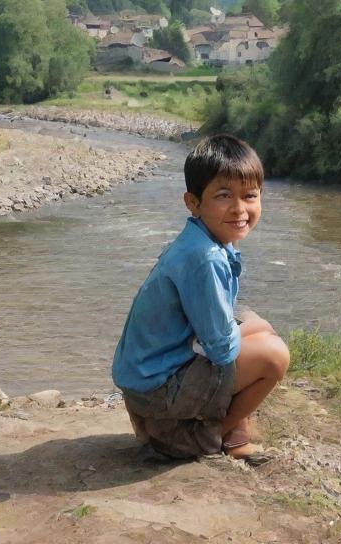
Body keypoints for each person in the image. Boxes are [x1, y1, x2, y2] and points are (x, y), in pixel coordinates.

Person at [112, 133, 289, 464]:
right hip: (157, 388)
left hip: (148, 374)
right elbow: (221, 348)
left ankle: (225, 432)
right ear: (193, 202)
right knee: (273, 356)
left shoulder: (207, 239)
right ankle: (210, 434)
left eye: (249, 196)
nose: (239, 209)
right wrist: (248, 339)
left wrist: (246, 332)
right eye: (224, 196)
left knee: (257, 327)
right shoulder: (204, 256)